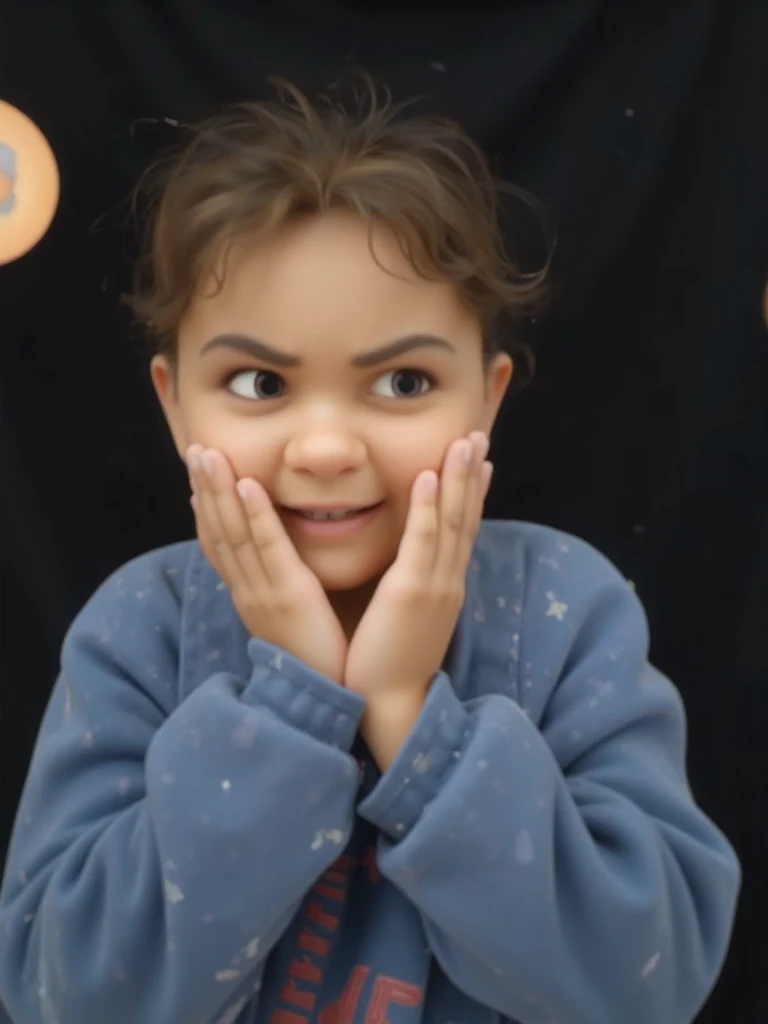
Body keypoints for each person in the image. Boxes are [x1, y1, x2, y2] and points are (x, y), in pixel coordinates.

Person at [0, 77, 740, 1024]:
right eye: (260, 381)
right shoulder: (137, 634)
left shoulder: (567, 618)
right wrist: (295, 706)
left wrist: (407, 713)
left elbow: (648, 983)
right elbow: (70, 998)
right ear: (174, 401)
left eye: (402, 381)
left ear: (488, 396)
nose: (325, 449)